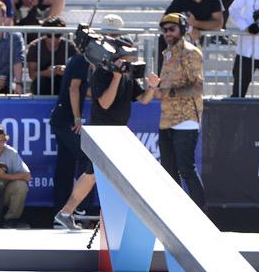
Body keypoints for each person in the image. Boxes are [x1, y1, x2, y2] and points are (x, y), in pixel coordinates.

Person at [53, 26, 160, 228]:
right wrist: (117, 77)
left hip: (118, 132)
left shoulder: (128, 74)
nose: (130, 59)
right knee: (93, 175)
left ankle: (68, 213)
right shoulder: (102, 73)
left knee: (92, 175)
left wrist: (152, 87)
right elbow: (104, 103)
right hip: (103, 133)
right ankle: (73, 214)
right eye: (127, 54)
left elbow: (143, 99)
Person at [155, 13, 205, 210]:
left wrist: (170, 92)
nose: (167, 33)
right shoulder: (166, 54)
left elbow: (197, 88)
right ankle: (176, 215)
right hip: (166, 118)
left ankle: (201, 216)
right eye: (165, 30)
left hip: (186, 118)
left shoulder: (191, 53)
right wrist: (156, 88)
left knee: (186, 169)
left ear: (182, 30)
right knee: (169, 171)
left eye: (172, 29)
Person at [48, 49, 91, 229]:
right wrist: (77, 117)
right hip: (67, 119)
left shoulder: (75, 59)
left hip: (60, 118)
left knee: (65, 166)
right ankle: (80, 206)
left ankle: (61, 214)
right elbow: (74, 88)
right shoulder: (82, 60)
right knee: (86, 160)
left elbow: (83, 90)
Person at [26, 16, 75, 95]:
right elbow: (32, 75)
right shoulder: (34, 47)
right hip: (42, 84)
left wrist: (64, 70)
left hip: (63, 82)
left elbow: (76, 72)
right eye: (49, 35)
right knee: (40, 82)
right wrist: (47, 72)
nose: (53, 39)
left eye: (57, 35)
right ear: (43, 34)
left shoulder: (70, 47)